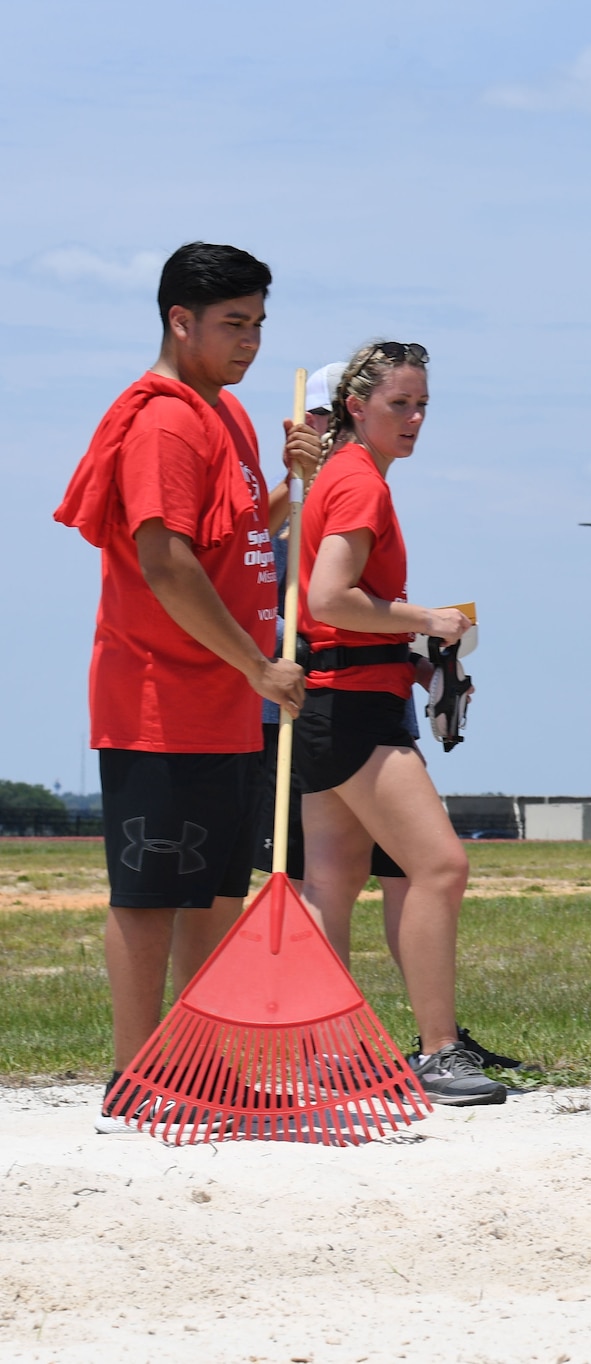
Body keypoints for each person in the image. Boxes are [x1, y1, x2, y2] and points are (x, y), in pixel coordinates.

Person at [52, 242, 313, 1130]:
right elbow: (166, 564)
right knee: (152, 895)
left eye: (258, 325)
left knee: (214, 893)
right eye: (234, 325)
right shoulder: (164, 421)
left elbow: (235, 536)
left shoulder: (230, 416)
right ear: (181, 320)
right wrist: (256, 664)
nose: (250, 343)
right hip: (159, 697)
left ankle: (200, 1069)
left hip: (231, 700)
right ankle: (135, 1077)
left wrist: (291, 485)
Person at [256, 362, 519, 1072]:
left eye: (423, 404)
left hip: (330, 700)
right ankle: (439, 1048)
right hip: (353, 709)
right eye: (400, 403)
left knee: (329, 883)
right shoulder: (359, 481)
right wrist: (424, 619)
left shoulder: (340, 475)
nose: (415, 419)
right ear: (357, 406)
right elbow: (330, 599)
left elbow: (328, 606)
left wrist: (414, 653)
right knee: (439, 866)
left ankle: (326, 1053)